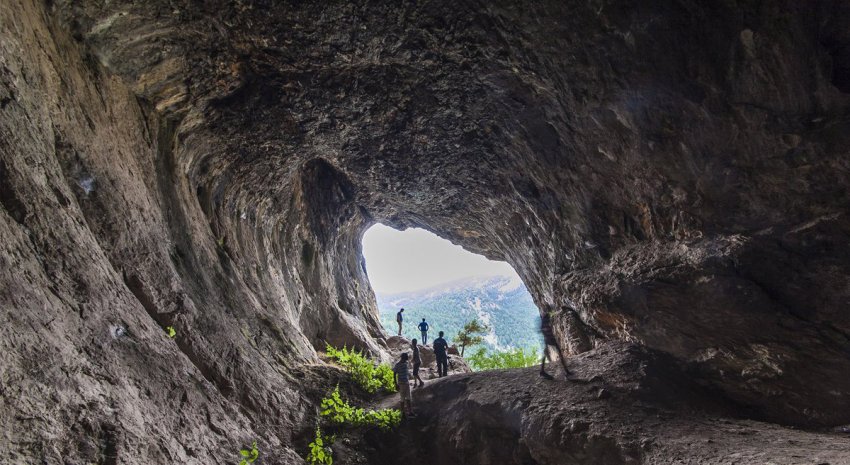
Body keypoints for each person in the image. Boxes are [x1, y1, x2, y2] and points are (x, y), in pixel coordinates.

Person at [540, 311, 571, 380]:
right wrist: (551, 338)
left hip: (547, 340)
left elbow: (543, 330)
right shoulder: (545, 322)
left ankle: (542, 371)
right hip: (550, 340)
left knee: (546, 354)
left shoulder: (544, 322)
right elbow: (546, 330)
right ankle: (566, 371)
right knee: (559, 354)